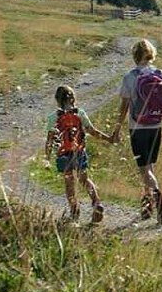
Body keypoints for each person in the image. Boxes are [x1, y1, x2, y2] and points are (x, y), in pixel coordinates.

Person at [110, 39, 162, 223]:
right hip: (156, 126)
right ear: (151, 54)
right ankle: (147, 206)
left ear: (135, 55)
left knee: (144, 169)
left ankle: (158, 198)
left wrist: (117, 129)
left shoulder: (130, 77)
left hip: (137, 128)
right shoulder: (161, 74)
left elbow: (124, 107)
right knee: (149, 167)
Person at [44, 85, 111, 224]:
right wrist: (108, 138)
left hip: (63, 154)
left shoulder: (53, 117)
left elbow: (50, 140)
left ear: (57, 100)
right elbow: (92, 131)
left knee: (69, 183)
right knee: (84, 179)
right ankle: (96, 202)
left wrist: (47, 158)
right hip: (79, 151)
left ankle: (74, 211)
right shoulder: (80, 113)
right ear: (73, 98)